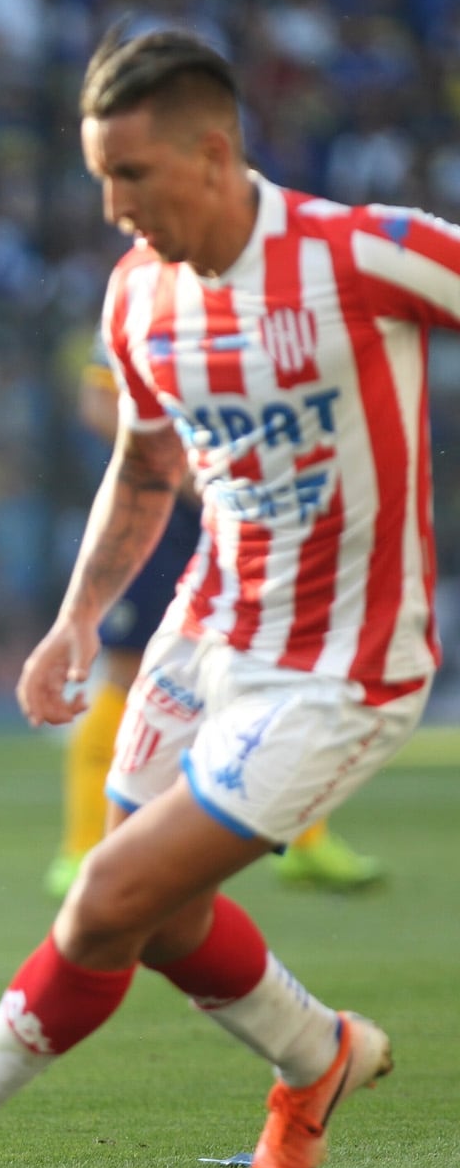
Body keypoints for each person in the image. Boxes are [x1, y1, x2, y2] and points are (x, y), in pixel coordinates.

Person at [0, 26, 444, 1168]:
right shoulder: (136, 295)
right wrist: (72, 622)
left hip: (337, 670)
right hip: (204, 633)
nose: (111, 206)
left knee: (105, 896)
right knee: (156, 921)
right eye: (98, 176)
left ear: (213, 154)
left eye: (131, 175)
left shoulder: (357, 254)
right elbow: (147, 463)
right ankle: (314, 1059)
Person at [45, 348, 384, 898]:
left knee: (288, 663)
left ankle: (304, 838)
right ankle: (82, 849)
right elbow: (98, 403)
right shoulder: (147, 288)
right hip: (167, 515)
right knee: (128, 676)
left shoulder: (264, 299)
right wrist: (185, 474)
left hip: (246, 511)